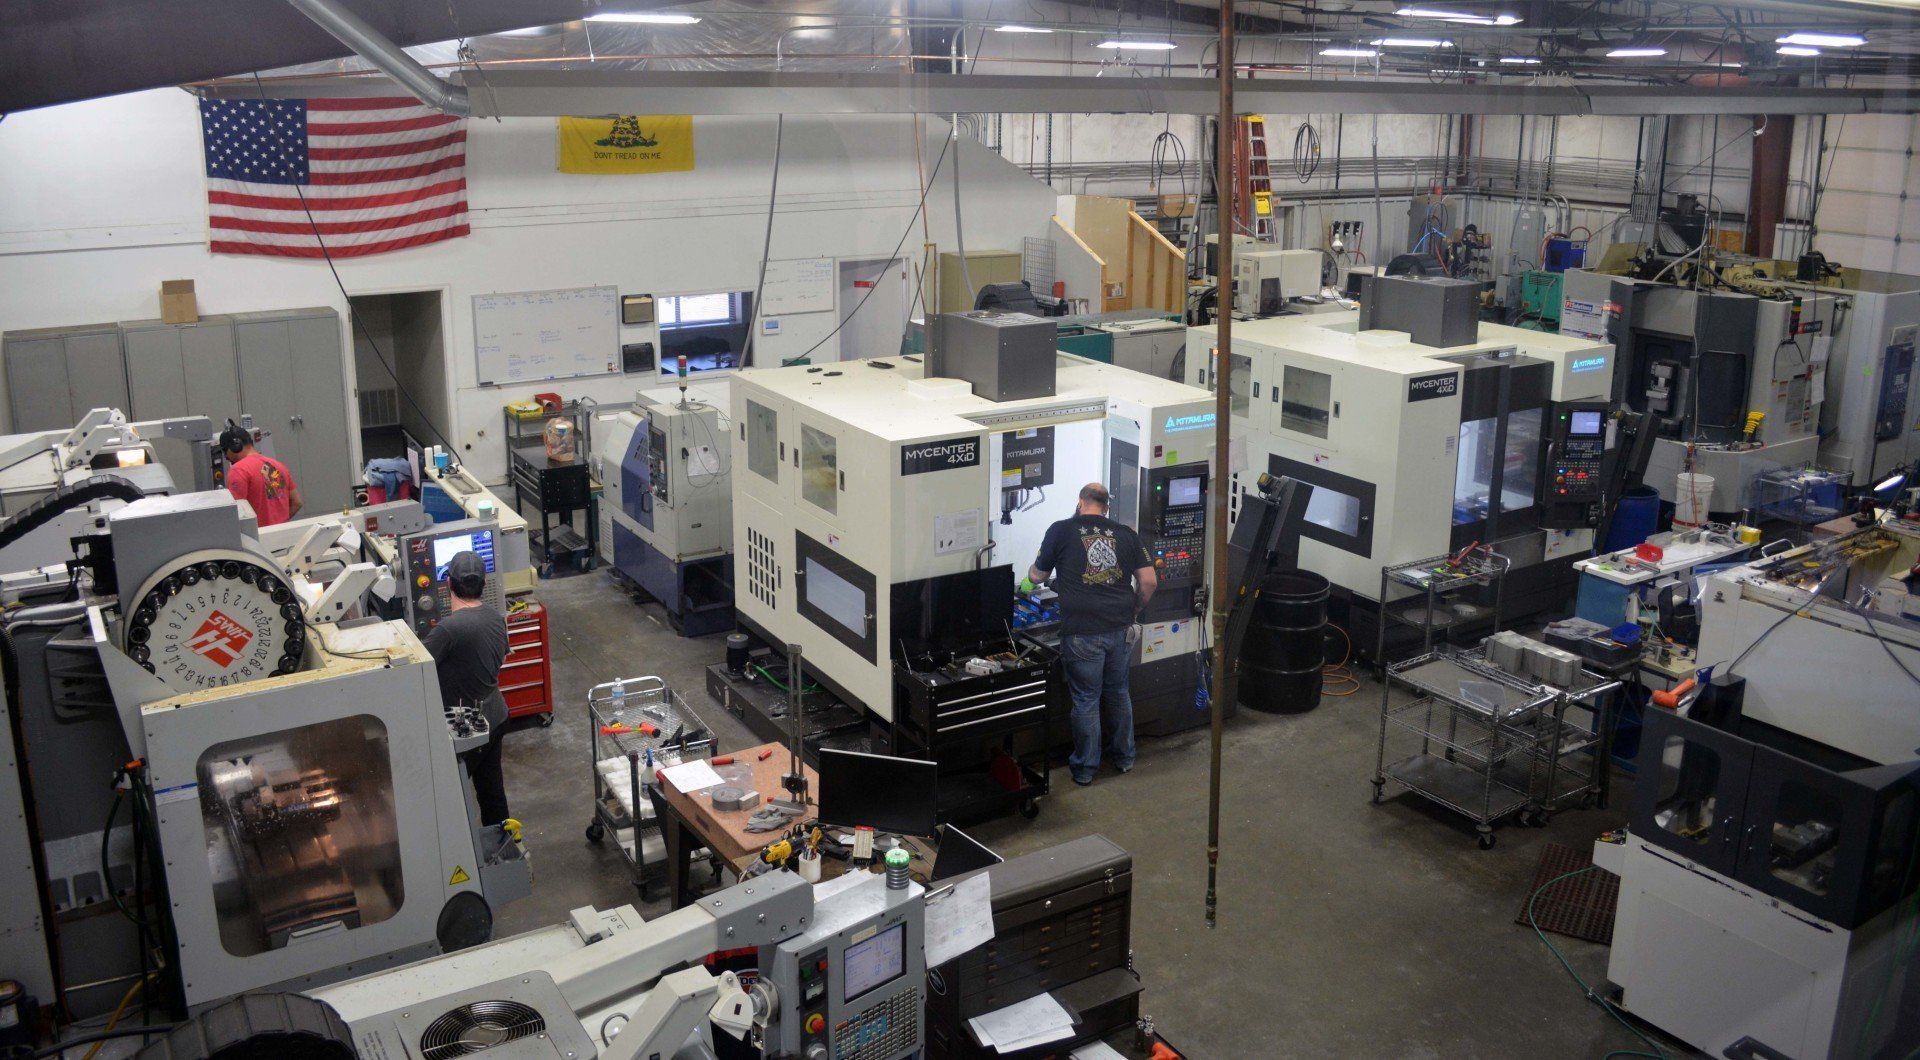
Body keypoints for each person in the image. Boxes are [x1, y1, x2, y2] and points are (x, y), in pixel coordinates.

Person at [1027, 482, 1158, 786]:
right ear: (1106, 507)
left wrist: (1031, 574)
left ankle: (1086, 769)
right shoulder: (1126, 534)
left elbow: (1038, 575)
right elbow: (1149, 581)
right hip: (1120, 628)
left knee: (1086, 699)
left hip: (1082, 631)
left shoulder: (1061, 530)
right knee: (1118, 692)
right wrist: (1134, 610)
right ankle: (1124, 758)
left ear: (1080, 501)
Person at [424, 551, 512, 826]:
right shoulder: (495, 617)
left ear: (448, 583)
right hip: (495, 716)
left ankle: (459, 848)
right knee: (491, 790)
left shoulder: (448, 629)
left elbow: (418, 668)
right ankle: (502, 842)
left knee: (450, 796)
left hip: (466, 726)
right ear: (484, 584)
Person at [220, 422, 302, 526]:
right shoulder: (279, 466)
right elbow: (297, 503)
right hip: (283, 533)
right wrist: (278, 524)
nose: (226, 456)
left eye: (225, 451)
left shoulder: (238, 470)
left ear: (235, 446)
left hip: (258, 535)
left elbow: (237, 513)